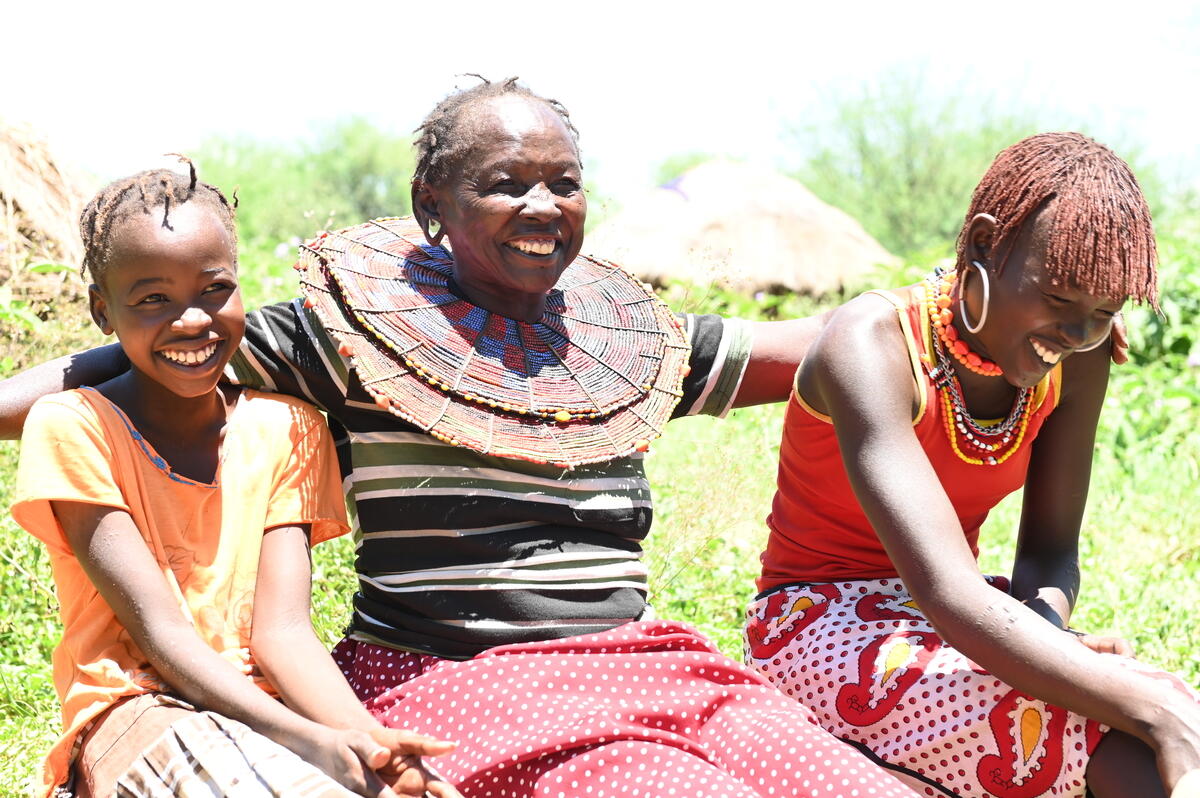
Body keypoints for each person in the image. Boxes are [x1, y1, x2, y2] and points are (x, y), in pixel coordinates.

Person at [0, 80, 922, 797]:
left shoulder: (625, 345)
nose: (540, 205)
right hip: (458, 673)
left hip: (650, 664)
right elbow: (135, 355)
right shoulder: (353, 333)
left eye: (563, 182)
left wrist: (948, 320)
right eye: (505, 184)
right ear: (432, 201)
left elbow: (828, 347)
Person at [743, 133, 1200, 798]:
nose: (1076, 334)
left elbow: (1048, 554)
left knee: (1154, 700)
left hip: (970, 613)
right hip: (815, 626)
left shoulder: (1079, 360)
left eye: (1101, 313)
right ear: (986, 244)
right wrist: (1149, 713)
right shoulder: (871, 346)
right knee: (1131, 720)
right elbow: (946, 592)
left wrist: (1047, 640)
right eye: (1060, 298)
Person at [11, 164, 461, 798]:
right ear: (102, 312)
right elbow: (160, 636)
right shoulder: (75, 426)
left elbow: (282, 634)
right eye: (152, 299)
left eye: (213, 288)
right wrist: (317, 744)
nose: (191, 320)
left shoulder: (289, 428)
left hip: (267, 713)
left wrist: (365, 740)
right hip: (139, 712)